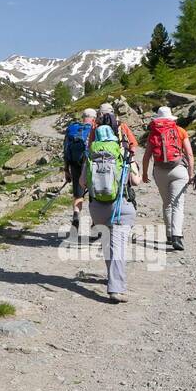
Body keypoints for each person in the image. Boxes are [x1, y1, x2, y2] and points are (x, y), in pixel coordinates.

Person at [79, 121, 135, 303]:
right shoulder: (122, 153)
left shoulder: (89, 154)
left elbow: (82, 183)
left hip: (97, 207)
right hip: (119, 206)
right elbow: (136, 181)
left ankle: (112, 277)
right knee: (117, 246)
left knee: (107, 244)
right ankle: (116, 288)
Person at [141, 106, 196, 251]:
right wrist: (191, 174)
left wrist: (145, 173)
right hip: (179, 170)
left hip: (160, 171)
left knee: (167, 203)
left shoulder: (153, 133)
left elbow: (146, 156)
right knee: (177, 204)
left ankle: (169, 235)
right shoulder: (180, 131)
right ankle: (177, 236)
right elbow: (190, 155)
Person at [63, 107, 96, 228]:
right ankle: (94, 223)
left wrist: (66, 170)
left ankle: (76, 215)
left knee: (78, 195)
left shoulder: (73, 129)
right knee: (94, 196)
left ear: (83, 118)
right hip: (90, 165)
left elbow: (66, 151)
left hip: (74, 164)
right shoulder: (94, 129)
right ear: (94, 118)